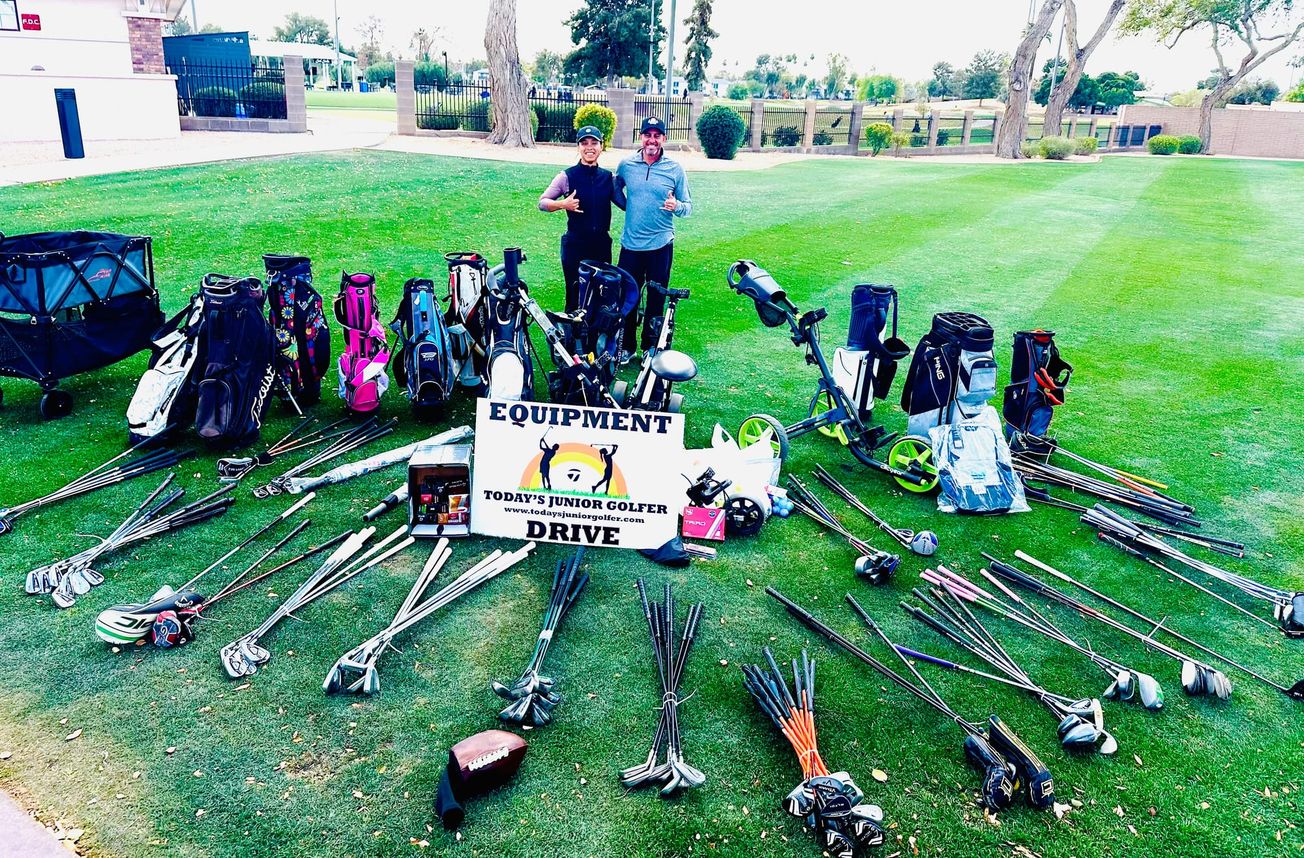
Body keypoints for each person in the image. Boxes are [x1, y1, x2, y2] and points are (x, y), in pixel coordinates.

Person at [615, 116, 692, 357]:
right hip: (631, 245)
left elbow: (688, 207)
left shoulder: (675, 169)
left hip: (660, 245)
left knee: (656, 298)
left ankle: (650, 347)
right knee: (628, 297)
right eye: (647, 135)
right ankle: (626, 346)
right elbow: (615, 188)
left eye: (657, 136)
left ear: (663, 138)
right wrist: (628, 207)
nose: (652, 140)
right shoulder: (626, 165)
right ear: (641, 137)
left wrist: (676, 205)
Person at [538, 125, 620, 312]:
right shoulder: (566, 176)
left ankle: (595, 330)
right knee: (575, 295)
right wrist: (562, 204)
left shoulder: (609, 178)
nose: (589, 147)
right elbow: (542, 202)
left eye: (594, 143)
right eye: (584, 143)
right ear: (578, 147)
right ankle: (571, 330)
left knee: (600, 295)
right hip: (575, 245)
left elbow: (626, 205)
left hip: (601, 245)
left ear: (601, 146)